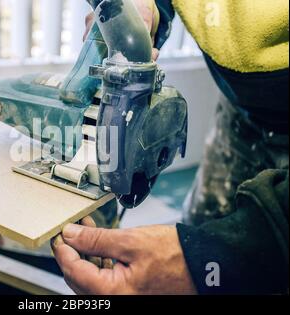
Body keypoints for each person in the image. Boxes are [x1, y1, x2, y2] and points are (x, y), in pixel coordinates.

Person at [52, 0, 289, 295]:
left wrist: (211, 259)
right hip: (241, 108)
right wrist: (146, 8)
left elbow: (222, 257)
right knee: (199, 224)